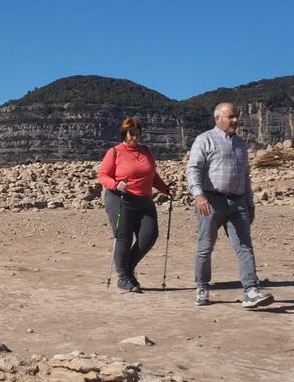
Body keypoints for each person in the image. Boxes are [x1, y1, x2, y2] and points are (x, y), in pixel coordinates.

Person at [187, 102, 273, 308]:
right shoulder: (204, 140)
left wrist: (250, 203)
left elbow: (245, 175)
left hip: (238, 202)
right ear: (217, 119)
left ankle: (251, 290)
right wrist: (198, 195)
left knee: (244, 246)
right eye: (231, 116)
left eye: (236, 116)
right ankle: (202, 286)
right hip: (211, 201)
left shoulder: (241, 144)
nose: (236, 120)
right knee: (205, 246)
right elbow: (193, 170)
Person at [97, 117, 173, 293]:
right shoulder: (115, 152)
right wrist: (116, 184)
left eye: (138, 134)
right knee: (124, 238)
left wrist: (166, 189)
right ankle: (123, 277)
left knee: (149, 236)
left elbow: (152, 176)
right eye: (132, 134)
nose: (135, 138)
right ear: (125, 134)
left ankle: (127, 270)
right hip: (120, 199)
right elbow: (102, 176)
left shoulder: (145, 151)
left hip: (144, 200)